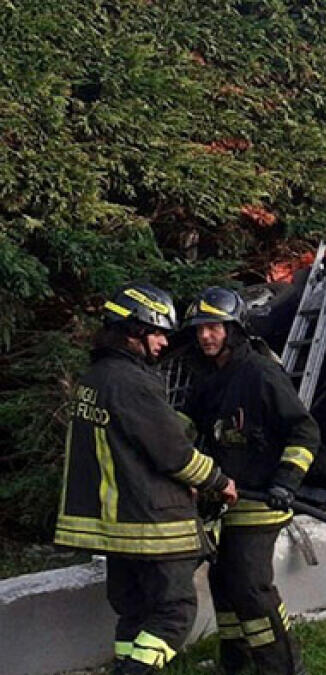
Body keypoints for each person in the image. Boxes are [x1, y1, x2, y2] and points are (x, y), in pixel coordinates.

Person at [55, 283, 238, 674]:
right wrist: (218, 480)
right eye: (157, 333)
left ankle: (128, 660)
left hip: (117, 527)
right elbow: (172, 450)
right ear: (135, 330)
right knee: (174, 611)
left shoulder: (96, 378)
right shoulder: (130, 382)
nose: (163, 343)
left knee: (134, 611)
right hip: (149, 523)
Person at [181, 286, 320, 675]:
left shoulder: (260, 372)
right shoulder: (208, 377)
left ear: (234, 329)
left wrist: (286, 482)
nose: (205, 336)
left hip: (261, 499)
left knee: (250, 585)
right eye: (200, 329)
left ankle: (283, 667)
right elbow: (187, 429)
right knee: (224, 581)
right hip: (225, 498)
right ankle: (237, 664)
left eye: (214, 327)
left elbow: (304, 431)